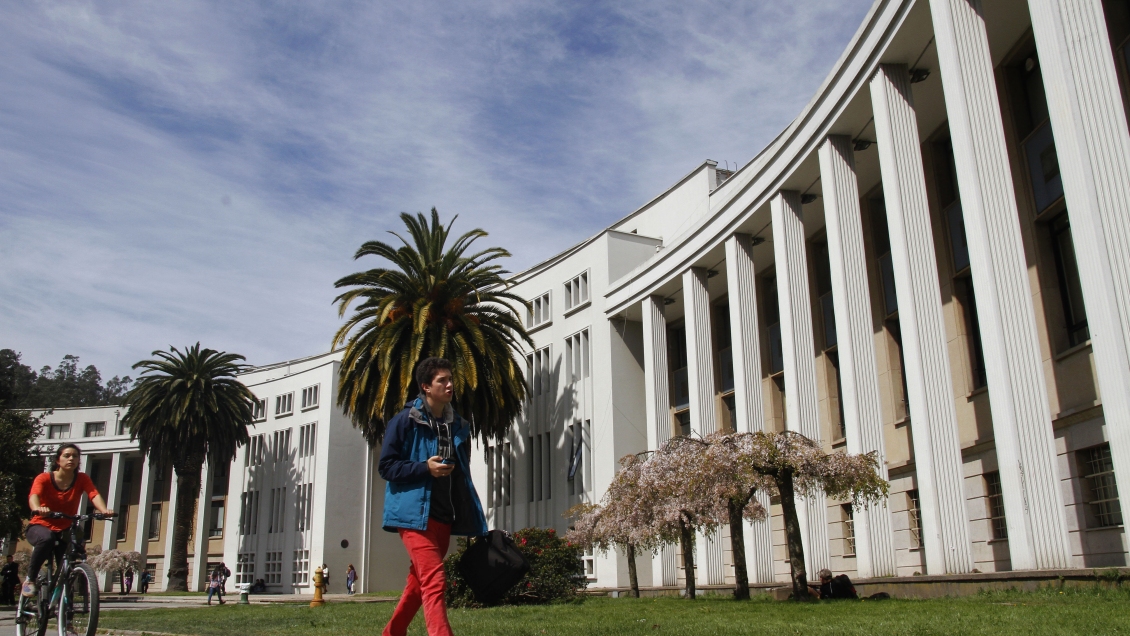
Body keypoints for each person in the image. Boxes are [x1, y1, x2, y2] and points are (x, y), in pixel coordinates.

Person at [379, 357, 488, 636]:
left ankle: (392, 632)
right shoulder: (404, 421)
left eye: (451, 379)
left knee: (419, 582)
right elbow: (387, 466)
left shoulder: (457, 425)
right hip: (413, 516)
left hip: (443, 515)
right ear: (426, 387)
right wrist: (424, 468)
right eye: (443, 380)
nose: (450, 384)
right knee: (435, 579)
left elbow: (461, 473)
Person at [23, 444, 114, 598]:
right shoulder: (44, 478)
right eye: (67, 455)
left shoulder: (82, 478)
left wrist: (104, 510)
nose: (71, 458)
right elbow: (34, 496)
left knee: (69, 569)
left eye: (75, 456)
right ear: (58, 460)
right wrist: (38, 508)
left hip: (65, 529)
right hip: (41, 525)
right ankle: (30, 579)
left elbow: (93, 494)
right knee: (46, 539)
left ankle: (67, 618)